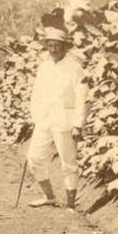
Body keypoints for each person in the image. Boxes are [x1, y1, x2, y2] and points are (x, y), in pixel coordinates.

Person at [26, 23, 89, 209]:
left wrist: (78, 123)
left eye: (57, 45)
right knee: (34, 157)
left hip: (65, 121)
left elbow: (83, 96)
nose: (53, 49)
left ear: (64, 47)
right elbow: (36, 94)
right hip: (44, 120)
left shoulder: (75, 68)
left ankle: (71, 204)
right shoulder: (43, 67)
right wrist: (35, 116)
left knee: (68, 163)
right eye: (50, 45)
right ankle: (49, 196)